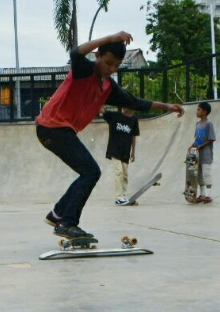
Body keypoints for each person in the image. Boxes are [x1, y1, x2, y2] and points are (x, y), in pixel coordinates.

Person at [35, 31, 184, 240]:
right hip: (51, 126)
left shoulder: (107, 87)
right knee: (90, 171)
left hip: (62, 130)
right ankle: (67, 223)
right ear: (98, 56)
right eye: (108, 63)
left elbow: (134, 102)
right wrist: (110, 38)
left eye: (116, 66)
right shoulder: (83, 70)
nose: (111, 69)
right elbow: (76, 53)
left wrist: (166, 105)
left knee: (88, 171)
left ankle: (58, 214)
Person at [102, 107, 140, 205]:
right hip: (114, 150)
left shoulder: (134, 120)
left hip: (126, 151)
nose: (124, 109)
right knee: (118, 172)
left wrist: (133, 152)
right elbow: (102, 110)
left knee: (125, 175)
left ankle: (123, 196)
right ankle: (118, 197)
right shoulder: (115, 116)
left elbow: (133, 136)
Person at [190, 102, 216, 203]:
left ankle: (208, 196)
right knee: (199, 175)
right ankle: (202, 195)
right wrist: (192, 146)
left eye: (198, 110)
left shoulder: (209, 124)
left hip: (206, 154)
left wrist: (200, 146)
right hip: (197, 155)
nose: (197, 111)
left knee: (206, 175)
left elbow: (211, 139)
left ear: (204, 112)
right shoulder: (197, 124)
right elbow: (197, 139)